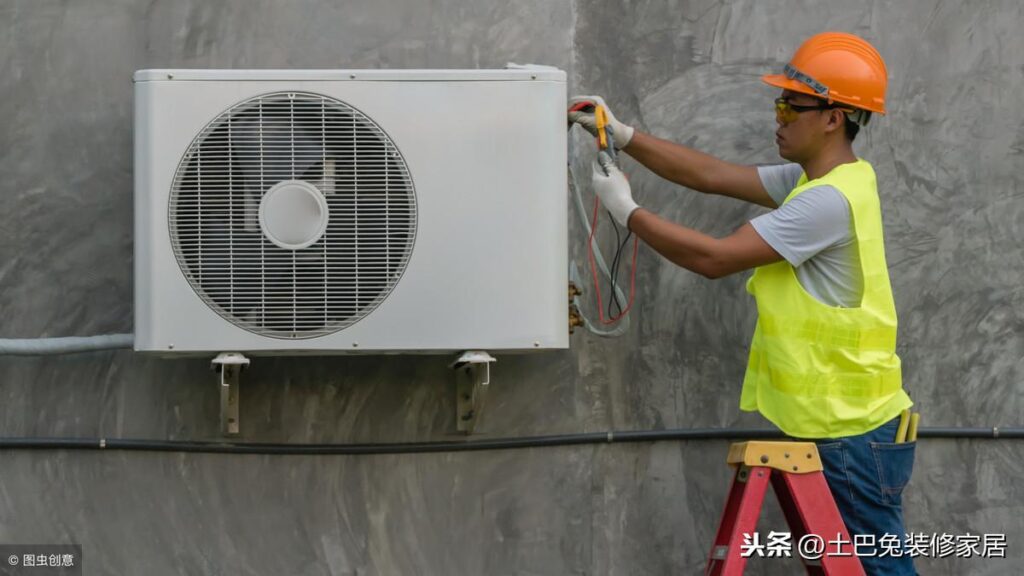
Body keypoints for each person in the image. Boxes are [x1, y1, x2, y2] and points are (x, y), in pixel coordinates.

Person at [569, 32, 917, 575]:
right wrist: (625, 136)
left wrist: (627, 213)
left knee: (879, 569)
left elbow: (715, 259)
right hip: (850, 425)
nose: (777, 117)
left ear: (834, 117)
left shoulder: (825, 202)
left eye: (791, 105)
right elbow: (711, 175)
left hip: (852, 434)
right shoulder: (829, 180)